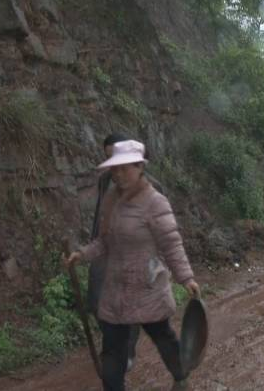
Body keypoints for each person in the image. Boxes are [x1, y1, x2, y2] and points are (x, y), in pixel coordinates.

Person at [65, 140, 199, 391]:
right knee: (113, 351)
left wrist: (186, 278)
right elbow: (104, 242)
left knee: (163, 336)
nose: (119, 174)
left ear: (140, 167)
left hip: (147, 287)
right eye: (115, 169)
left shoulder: (155, 202)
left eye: (125, 168)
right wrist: (81, 255)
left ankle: (181, 376)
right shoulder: (111, 199)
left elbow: (171, 244)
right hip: (115, 288)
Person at [89, 134, 165, 372]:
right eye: (108, 156)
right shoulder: (104, 181)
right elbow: (99, 214)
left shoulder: (152, 187)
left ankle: (126, 351)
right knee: (95, 300)